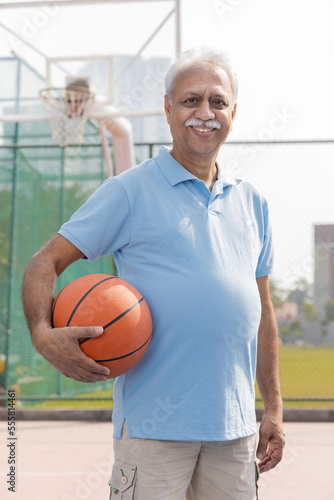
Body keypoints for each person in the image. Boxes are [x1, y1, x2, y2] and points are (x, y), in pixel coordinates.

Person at [22, 47, 285, 499]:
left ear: (233, 113)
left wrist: (274, 410)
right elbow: (44, 263)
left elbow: (263, 316)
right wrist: (43, 335)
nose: (205, 113)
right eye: (190, 100)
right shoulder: (129, 191)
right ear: (167, 108)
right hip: (153, 429)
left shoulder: (252, 202)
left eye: (217, 102)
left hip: (235, 432)